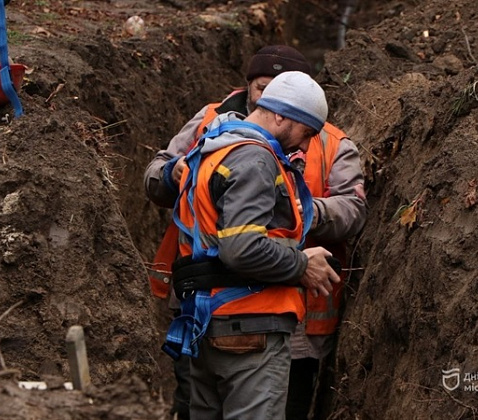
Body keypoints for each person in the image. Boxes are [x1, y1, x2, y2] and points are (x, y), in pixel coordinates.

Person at [145, 45, 367, 420]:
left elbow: (352, 208)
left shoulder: (215, 143)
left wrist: (302, 211)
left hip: (207, 314)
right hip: (250, 319)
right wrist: (300, 264)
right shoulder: (254, 156)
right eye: (305, 132)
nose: (307, 144)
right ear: (282, 116)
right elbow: (242, 248)